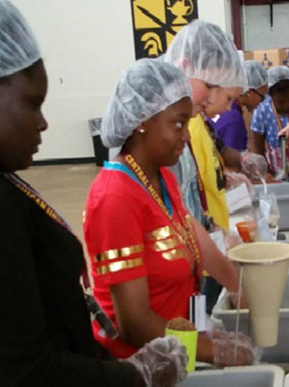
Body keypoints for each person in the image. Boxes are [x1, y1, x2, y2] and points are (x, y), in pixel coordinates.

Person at [0, 1, 187, 386]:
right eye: (33, 103)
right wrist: (133, 375)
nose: (44, 122)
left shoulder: (6, 184)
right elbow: (25, 370)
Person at [84, 58, 254, 367]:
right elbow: (134, 324)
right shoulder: (115, 197)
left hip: (175, 356)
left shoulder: (161, 178)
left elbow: (190, 237)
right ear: (141, 120)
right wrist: (209, 350)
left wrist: (215, 324)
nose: (186, 136)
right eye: (178, 123)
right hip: (141, 368)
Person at [164, 20, 246, 232]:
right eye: (210, 86)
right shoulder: (168, 134)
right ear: (183, 67)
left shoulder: (190, 121)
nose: (212, 99)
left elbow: (191, 199)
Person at [215, 60, 269, 151]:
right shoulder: (233, 120)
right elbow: (231, 162)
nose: (262, 103)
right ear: (250, 92)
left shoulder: (224, 107)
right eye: (262, 97)